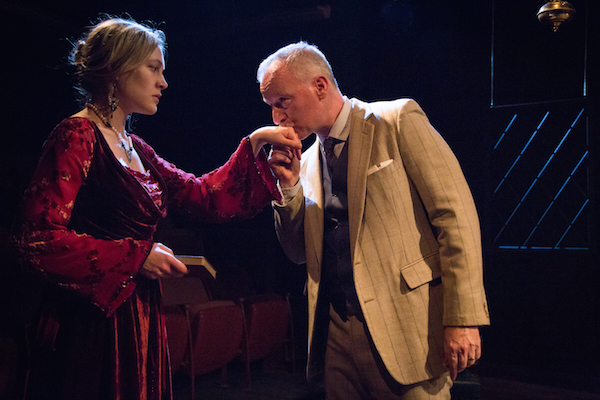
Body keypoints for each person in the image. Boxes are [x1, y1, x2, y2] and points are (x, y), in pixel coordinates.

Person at [11, 17, 300, 400]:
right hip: (93, 325)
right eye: (153, 68)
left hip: (139, 318)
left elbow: (204, 196)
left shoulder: (136, 148)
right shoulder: (76, 136)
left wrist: (256, 144)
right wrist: (135, 256)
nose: (163, 82)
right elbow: (36, 240)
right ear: (117, 69)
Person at [260, 41, 490, 399]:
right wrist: (288, 189)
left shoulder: (396, 121)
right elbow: (297, 253)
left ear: (319, 86)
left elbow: (455, 217)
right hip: (335, 335)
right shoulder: (304, 163)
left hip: (407, 328)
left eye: (282, 102)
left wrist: (462, 317)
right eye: (271, 106)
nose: (277, 118)